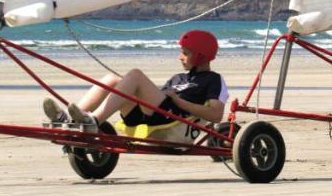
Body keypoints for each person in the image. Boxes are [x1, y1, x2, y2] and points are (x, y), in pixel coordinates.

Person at [45, 29, 228, 128]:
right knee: (111, 79)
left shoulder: (213, 79)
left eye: (185, 53)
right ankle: (68, 119)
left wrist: (178, 101)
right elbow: (159, 97)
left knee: (135, 75)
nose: (180, 57)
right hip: (149, 116)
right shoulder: (178, 78)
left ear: (200, 56)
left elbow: (216, 115)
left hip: (173, 120)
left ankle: (94, 121)